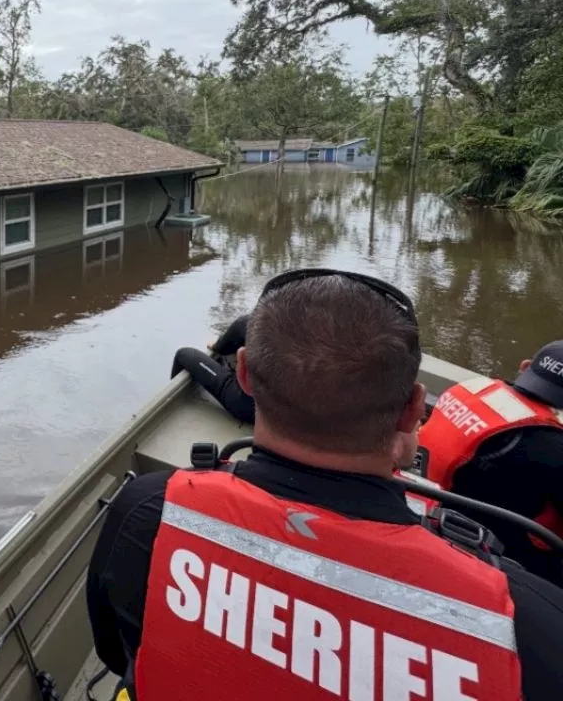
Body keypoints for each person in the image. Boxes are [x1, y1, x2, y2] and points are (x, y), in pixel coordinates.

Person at [86, 268, 563, 701]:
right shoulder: (528, 625)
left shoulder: (146, 509)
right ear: (413, 408)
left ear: (246, 374)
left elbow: (114, 651)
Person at [415, 339, 563, 583]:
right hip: (501, 560)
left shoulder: (470, 389)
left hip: (431, 513)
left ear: (525, 367)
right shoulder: (549, 447)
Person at [170, 313, 254, 424]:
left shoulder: (250, 323)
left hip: (251, 409)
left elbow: (221, 348)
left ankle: (172, 408)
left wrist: (217, 345)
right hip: (284, 415)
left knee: (184, 354)